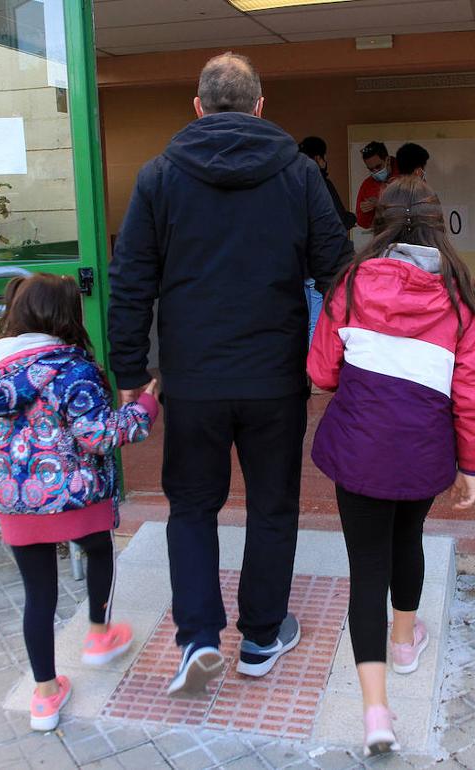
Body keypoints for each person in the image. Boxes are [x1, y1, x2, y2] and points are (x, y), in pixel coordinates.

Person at [109, 52, 350, 696]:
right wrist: (348, 360)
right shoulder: (299, 175)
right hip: (274, 378)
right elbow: (338, 274)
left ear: (197, 107)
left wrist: (130, 367)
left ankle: (196, 640)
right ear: (260, 106)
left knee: (191, 507)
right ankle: (263, 637)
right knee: (273, 506)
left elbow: (130, 280)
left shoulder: (158, 177)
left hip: (192, 381)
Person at [307, 176, 475, 757]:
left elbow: (320, 372)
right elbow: (472, 395)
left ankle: (375, 712)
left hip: (359, 453)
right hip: (423, 453)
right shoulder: (461, 299)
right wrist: (471, 465)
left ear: (377, 225)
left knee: (367, 567)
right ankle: (405, 640)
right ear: (439, 227)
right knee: (407, 538)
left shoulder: (352, 285)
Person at [0, 273, 159, 732]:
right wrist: (146, 407)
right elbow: (100, 436)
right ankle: (99, 634)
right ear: (65, 314)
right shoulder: (74, 369)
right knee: (99, 551)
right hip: (81, 496)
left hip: (18, 503)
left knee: (39, 596)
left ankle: (46, 698)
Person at [298, 135, 354, 346]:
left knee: (305, 322)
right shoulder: (319, 182)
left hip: (299, 266)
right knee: (317, 323)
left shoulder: (292, 181)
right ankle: (313, 370)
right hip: (319, 267)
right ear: (319, 158)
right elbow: (337, 222)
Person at [354, 141, 398, 230]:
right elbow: (362, 223)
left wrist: (380, 204)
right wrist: (366, 211)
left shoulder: (408, 175)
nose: (375, 172)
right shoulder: (367, 185)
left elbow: (418, 207)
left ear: (388, 160)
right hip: (384, 237)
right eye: (371, 169)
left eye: (378, 167)